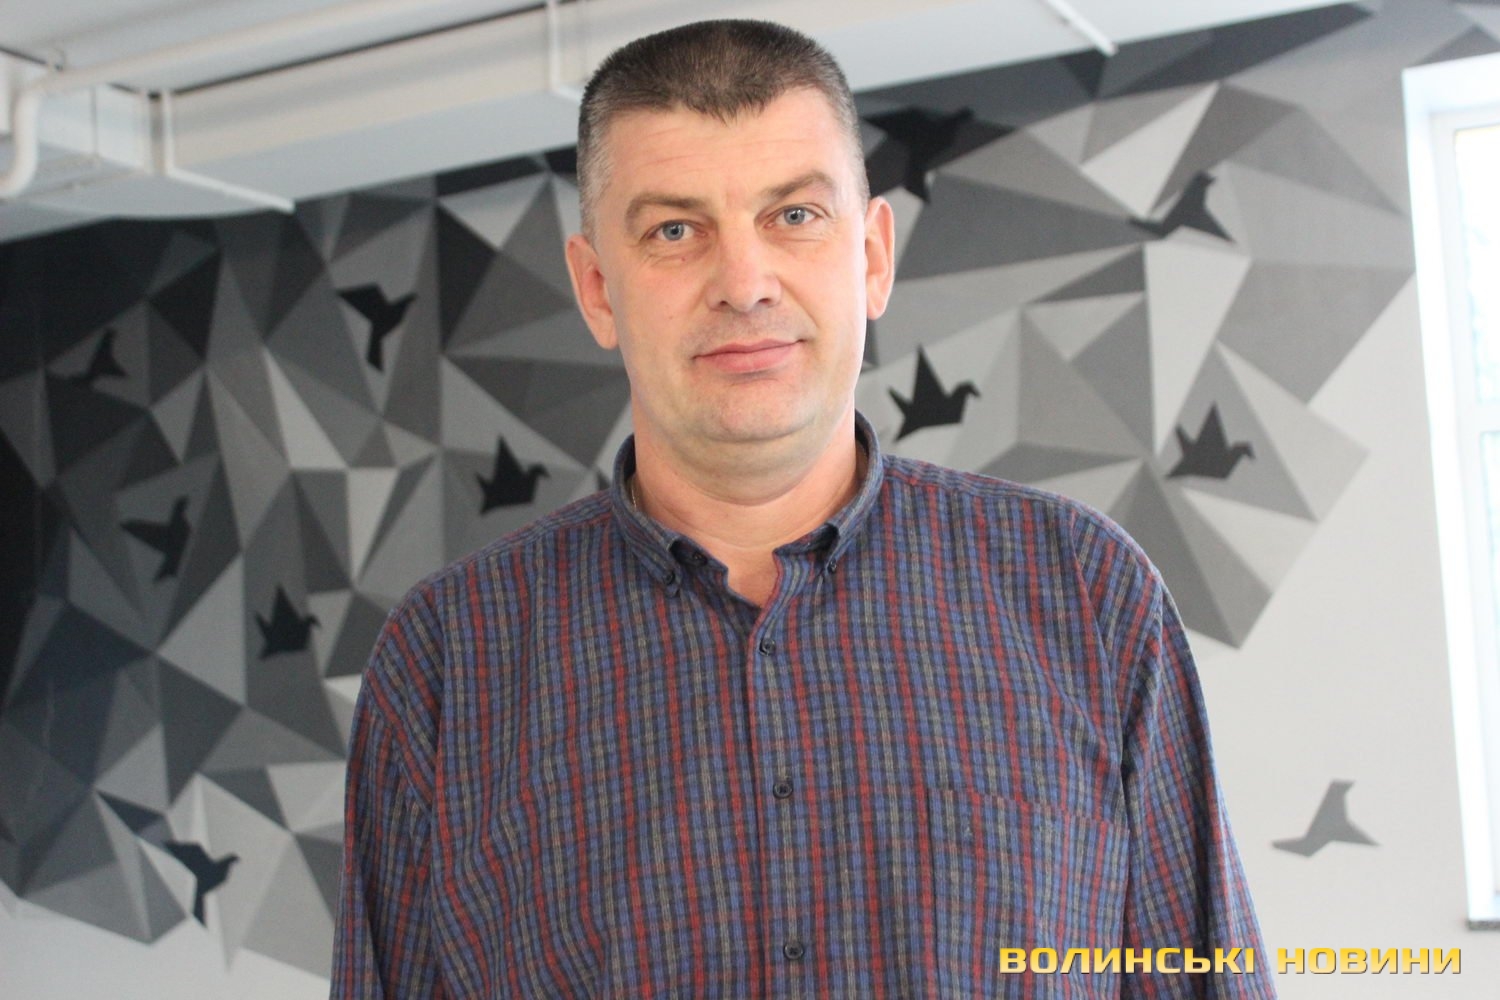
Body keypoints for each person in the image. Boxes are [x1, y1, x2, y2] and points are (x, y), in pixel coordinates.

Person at [333, 19, 1275, 999]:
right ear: (598, 288)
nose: (744, 285)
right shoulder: (447, 662)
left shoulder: (1085, 592)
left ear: (872, 258)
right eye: (674, 231)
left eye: (794, 215)